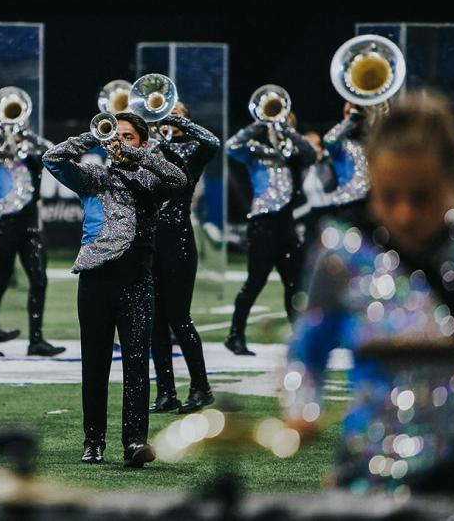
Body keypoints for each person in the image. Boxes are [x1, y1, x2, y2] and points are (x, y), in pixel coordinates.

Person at [284, 92, 454, 492]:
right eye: (388, 196)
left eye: (421, 197)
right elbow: (306, 350)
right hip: (368, 472)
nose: (404, 213)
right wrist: (302, 409)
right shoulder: (342, 254)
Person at [43, 112, 186, 468]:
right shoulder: (95, 176)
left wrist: (136, 156)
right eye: (115, 134)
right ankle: (94, 441)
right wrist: (93, 136)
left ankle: (135, 441)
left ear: (142, 142)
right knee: (95, 365)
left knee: (137, 365)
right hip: (95, 283)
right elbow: (52, 159)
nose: (119, 141)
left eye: (128, 136)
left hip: (137, 283)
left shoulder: (151, 182)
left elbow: (179, 179)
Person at [225, 114, 317, 356]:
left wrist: (287, 131)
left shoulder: (294, 153)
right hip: (263, 224)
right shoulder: (256, 150)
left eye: (285, 119)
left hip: (286, 225)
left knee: (294, 285)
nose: (279, 122)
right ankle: (235, 335)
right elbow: (231, 146)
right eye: (276, 119)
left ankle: (300, 339)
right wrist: (259, 123)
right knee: (255, 282)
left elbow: (312, 154)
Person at [148, 102, 219, 414]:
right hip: (150, 240)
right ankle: (166, 392)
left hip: (178, 237)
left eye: (176, 111)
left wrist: (175, 122)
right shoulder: (149, 146)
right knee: (155, 321)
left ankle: (201, 388)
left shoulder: (193, 148)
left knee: (179, 317)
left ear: (185, 119)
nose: (167, 112)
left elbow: (213, 142)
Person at [0, 120, 65, 357]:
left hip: (30, 227)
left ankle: (36, 340)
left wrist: (29, 136)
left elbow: (54, 152)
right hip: (6, 226)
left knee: (39, 279)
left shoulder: (31, 155)